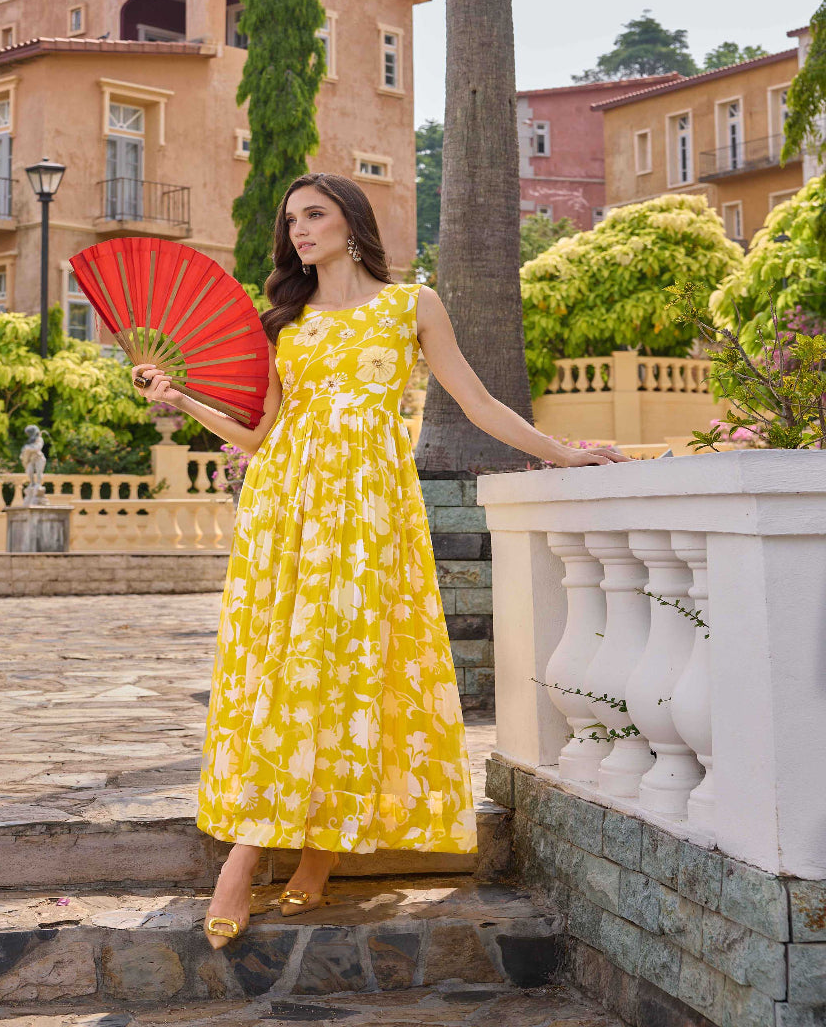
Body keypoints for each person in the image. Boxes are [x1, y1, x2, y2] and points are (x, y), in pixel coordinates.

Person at [131, 172, 625, 950]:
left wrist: (562, 453)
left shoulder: (411, 306)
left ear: (351, 222)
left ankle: (319, 849)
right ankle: (247, 855)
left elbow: (477, 402)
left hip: (368, 514)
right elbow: (260, 437)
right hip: (285, 514)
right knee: (281, 670)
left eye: (314, 214)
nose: (299, 230)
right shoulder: (284, 323)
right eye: (291, 220)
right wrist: (181, 399)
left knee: (347, 666)